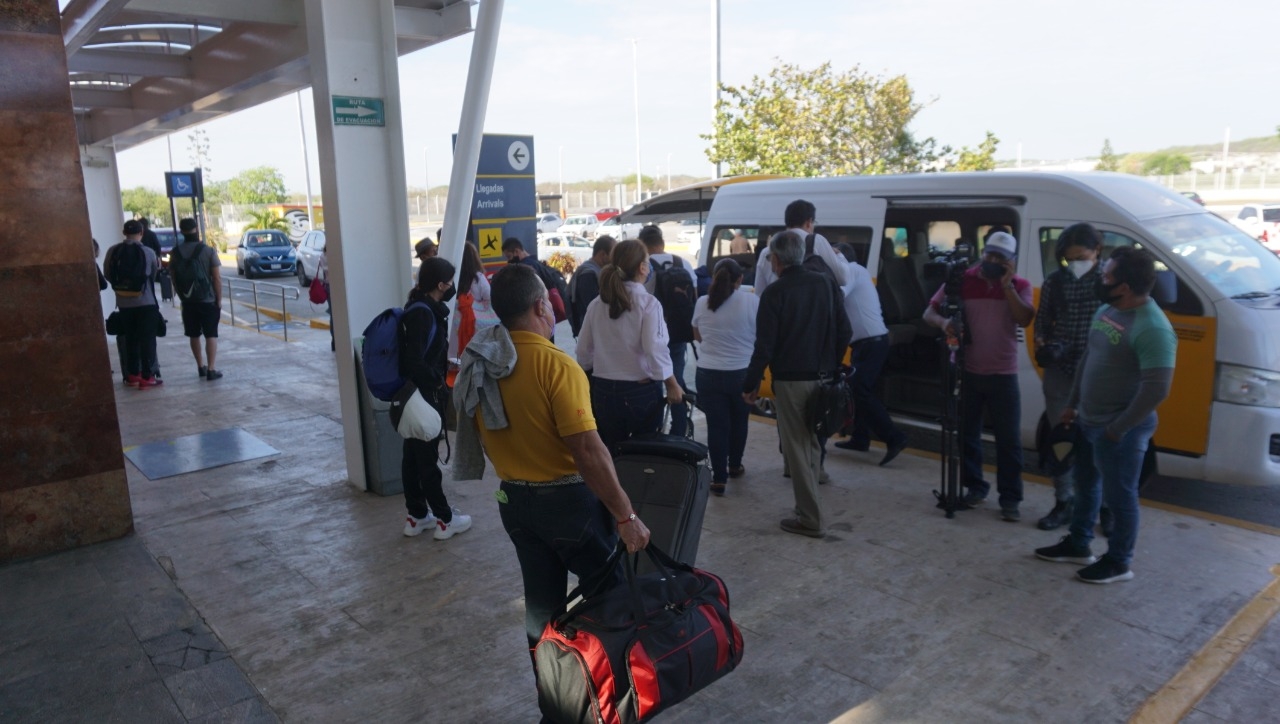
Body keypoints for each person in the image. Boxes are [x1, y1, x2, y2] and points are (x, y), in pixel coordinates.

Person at [452, 262, 651, 666]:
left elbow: (484, 437)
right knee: (609, 601)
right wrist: (626, 515)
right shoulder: (556, 365)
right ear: (541, 306)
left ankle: (557, 700)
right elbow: (588, 452)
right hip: (568, 506)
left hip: (514, 504)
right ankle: (614, 697)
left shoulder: (482, 364)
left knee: (542, 612)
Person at [1035, 247, 1176, 584]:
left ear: (1124, 286)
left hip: (1120, 430)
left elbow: (1157, 389)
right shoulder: (1109, 308)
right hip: (1088, 419)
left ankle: (1118, 561)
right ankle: (1080, 545)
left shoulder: (1153, 328)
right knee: (1086, 486)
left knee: (1120, 497)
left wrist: (1118, 428)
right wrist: (1073, 402)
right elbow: (1090, 355)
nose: (1100, 278)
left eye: (1107, 275)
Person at [743, 231, 851, 538]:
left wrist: (750, 384)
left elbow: (764, 347)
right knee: (814, 440)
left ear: (776, 260)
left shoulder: (774, 294)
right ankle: (809, 505)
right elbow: (846, 329)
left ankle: (810, 517)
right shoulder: (826, 284)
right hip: (825, 378)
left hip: (792, 382)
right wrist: (832, 363)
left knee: (797, 449)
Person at [923, 230, 1035, 521]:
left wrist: (1007, 286)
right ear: (982, 253)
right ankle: (975, 487)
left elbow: (1024, 318)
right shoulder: (962, 281)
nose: (992, 260)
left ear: (1011, 261)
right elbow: (928, 314)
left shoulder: (1021, 286)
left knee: (1008, 441)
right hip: (967, 370)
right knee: (967, 435)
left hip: (1003, 374)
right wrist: (945, 321)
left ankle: (1010, 499)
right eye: (989, 254)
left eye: (1000, 257)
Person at [576, 239, 684, 450]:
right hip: (640, 391)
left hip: (603, 391)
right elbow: (655, 349)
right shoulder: (648, 304)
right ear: (642, 267)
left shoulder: (596, 304)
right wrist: (672, 384)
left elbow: (583, 352)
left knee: (611, 454)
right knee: (643, 457)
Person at [1032, 223, 1104, 530]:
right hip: (1061, 373)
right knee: (1061, 441)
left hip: (1099, 374)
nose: (1076, 263)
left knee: (1099, 444)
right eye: (1069, 258)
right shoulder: (1055, 282)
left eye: (1082, 256)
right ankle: (1063, 503)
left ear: (1097, 252)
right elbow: (1042, 323)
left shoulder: (1110, 284)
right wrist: (1044, 344)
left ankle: (1104, 509)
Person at [400, 257, 473, 540]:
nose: (453, 286)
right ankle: (445, 518)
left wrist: (445, 365)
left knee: (412, 457)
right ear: (442, 285)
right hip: (424, 396)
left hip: (412, 396)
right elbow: (414, 360)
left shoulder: (417, 307)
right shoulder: (423, 313)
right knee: (427, 461)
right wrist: (437, 382)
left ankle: (417, 515)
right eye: (451, 282)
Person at [830, 242, 909, 465]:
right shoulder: (857, 272)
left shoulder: (853, 270)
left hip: (872, 343)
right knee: (857, 391)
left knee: (859, 390)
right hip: (865, 343)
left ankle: (895, 437)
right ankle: (860, 437)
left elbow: (837, 296)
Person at [692, 258, 758, 495]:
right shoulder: (752, 300)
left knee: (716, 426)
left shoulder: (702, 302)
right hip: (742, 373)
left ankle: (718, 479)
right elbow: (760, 334)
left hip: (708, 373)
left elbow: (697, 334)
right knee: (739, 421)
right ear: (740, 279)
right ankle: (734, 465)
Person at [638, 225, 696, 437]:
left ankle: (653, 429)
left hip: (651, 333)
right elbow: (694, 298)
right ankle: (679, 429)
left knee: (653, 380)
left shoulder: (644, 267)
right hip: (678, 333)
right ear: (662, 242)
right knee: (676, 379)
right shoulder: (684, 263)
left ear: (642, 245)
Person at [104, 220, 162, 389]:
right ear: (141, 232)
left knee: (130, 338)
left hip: (123, 303)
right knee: (147, 339)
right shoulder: (148, 252)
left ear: (124, 232)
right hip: (146, 303)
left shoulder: (113, 251)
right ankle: (147, 376)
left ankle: (132, 374)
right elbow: (152, 274)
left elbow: (108, 274)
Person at [169, 217, 224, 380]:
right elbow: (216, 278)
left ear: (181, 231)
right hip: (207, 300)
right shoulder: (207, 251)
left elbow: (173, 277)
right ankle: (211, 369)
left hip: (188, 301)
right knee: (211, 334)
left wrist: (181, 295)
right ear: (196, 229)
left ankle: (200, 366)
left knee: (193, 334)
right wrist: (218, 299)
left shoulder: (175, 253)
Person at [753, 199, 849, 293]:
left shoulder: (766, 252)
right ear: (809, 222)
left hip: (778, 307)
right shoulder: (817, 241)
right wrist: (839, 255)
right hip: (810, 306)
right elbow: (843, 278)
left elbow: (759, 292)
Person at [568, 235, 616, 338]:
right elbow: (593, 307)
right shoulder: (588, 274)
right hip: (591, 334)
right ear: (603, 255)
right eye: (614, 254)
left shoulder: (596, 271)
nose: (616, 259)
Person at [453, 241, 496, 357]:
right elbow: (490, 299)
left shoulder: (452, 278)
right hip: (475, 325)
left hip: (456, 323)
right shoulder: (478, 278)